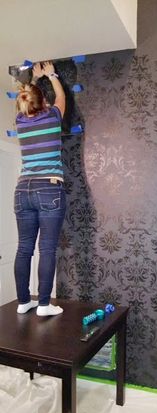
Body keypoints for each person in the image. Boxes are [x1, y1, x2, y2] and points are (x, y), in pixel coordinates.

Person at [14, 61, 66, 316]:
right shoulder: (53, 117)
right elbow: (61, 97)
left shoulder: (20, 121)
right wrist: (50, 74)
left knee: (24, 248)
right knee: (46, 248)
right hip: (49, 188)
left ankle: (24, 302)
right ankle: (44, 304)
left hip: (22, 190)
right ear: (43, 100)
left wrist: (31, 80)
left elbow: (29, 98)